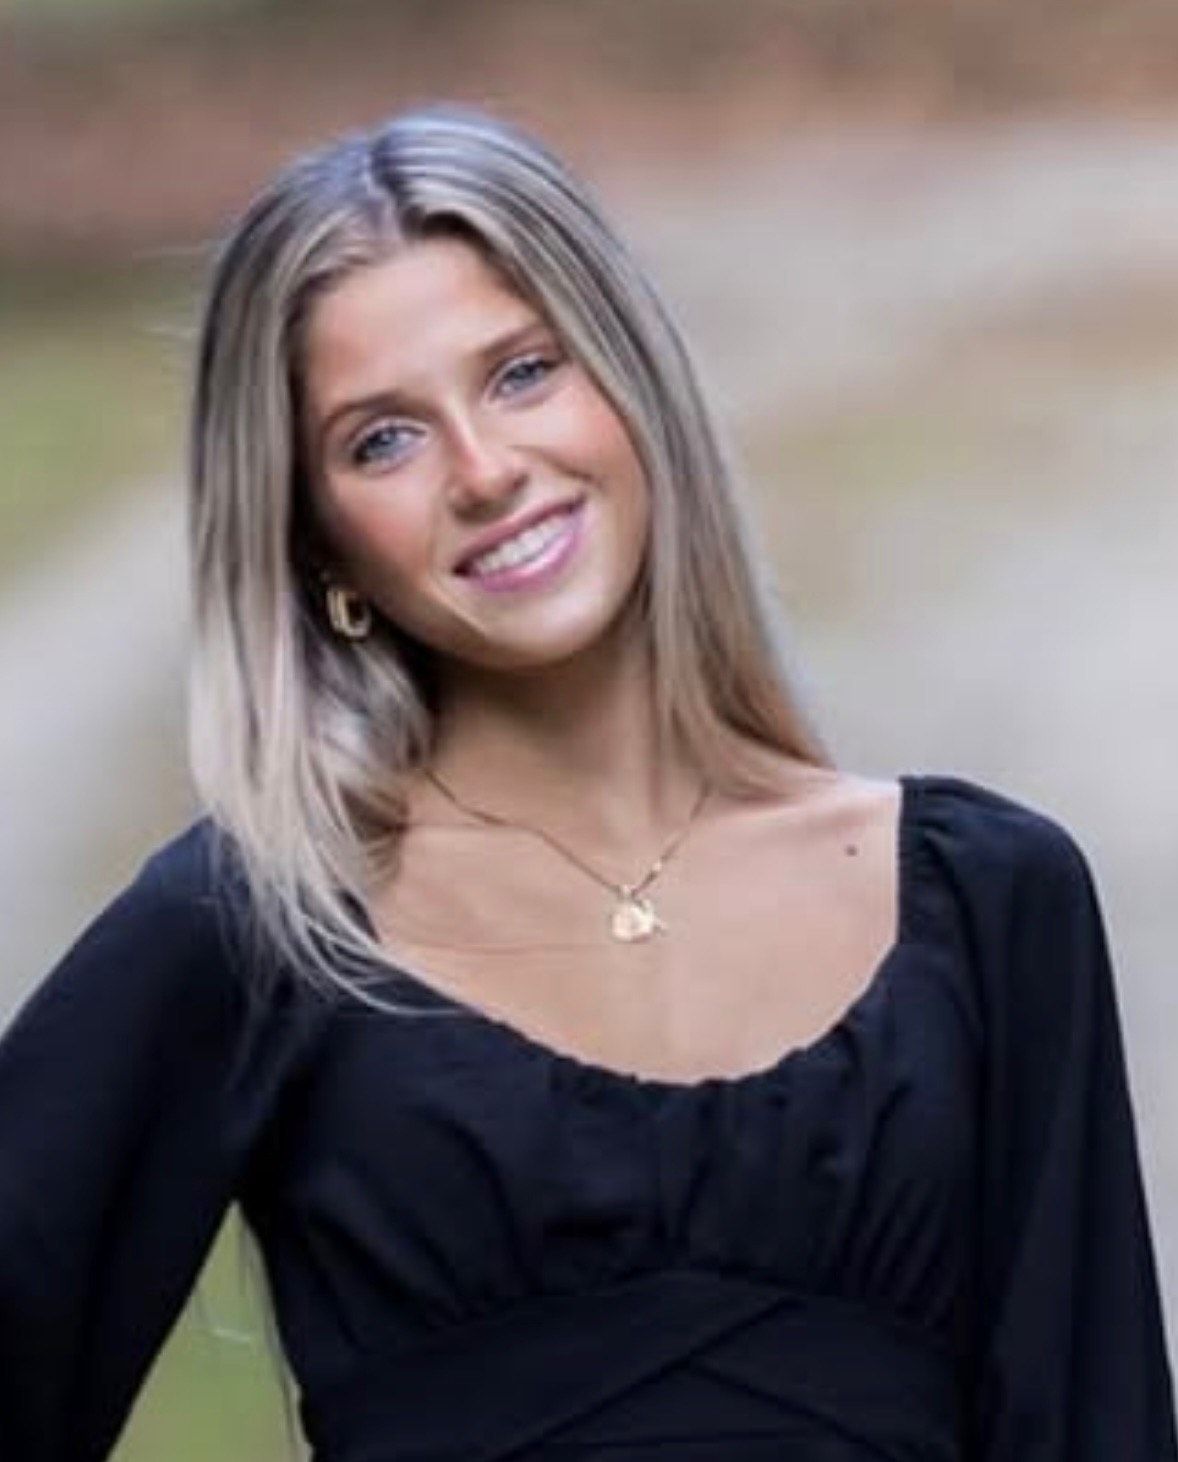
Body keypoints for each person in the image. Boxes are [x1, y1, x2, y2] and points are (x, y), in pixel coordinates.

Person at [0, 104, 1173, 1462]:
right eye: (382, 439)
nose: (486, 471)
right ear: (317, 543)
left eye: (521, 372)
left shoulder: (988, 901)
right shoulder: (263, 930)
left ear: (634, 385)